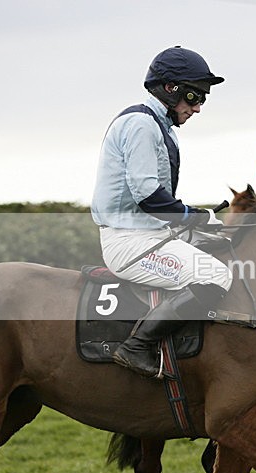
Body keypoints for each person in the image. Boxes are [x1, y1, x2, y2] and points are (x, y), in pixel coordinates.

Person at [92, 46, 232, 378]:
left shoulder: (160, 125)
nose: (198, 107)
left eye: (203, 99)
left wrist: (197, 222)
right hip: (129, 243)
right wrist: (195, 216)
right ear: (170, 88)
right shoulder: (142, 124)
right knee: (215, 276)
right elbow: (148, 196)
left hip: (148, 233)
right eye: (195, 96)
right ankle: (136, 346)